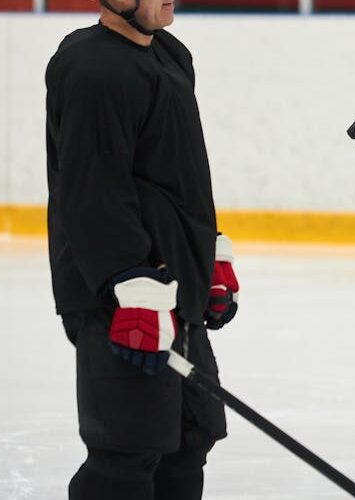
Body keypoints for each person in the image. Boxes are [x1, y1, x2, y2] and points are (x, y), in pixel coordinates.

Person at [45, 0, 239, 497]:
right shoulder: (91, 67)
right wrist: (126, 280)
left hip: (174, 285)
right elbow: (90, 189)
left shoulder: (171, 54)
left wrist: (207, 258)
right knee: (127, 451)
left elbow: (179, 176)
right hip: (122, 294)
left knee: (190, 436)